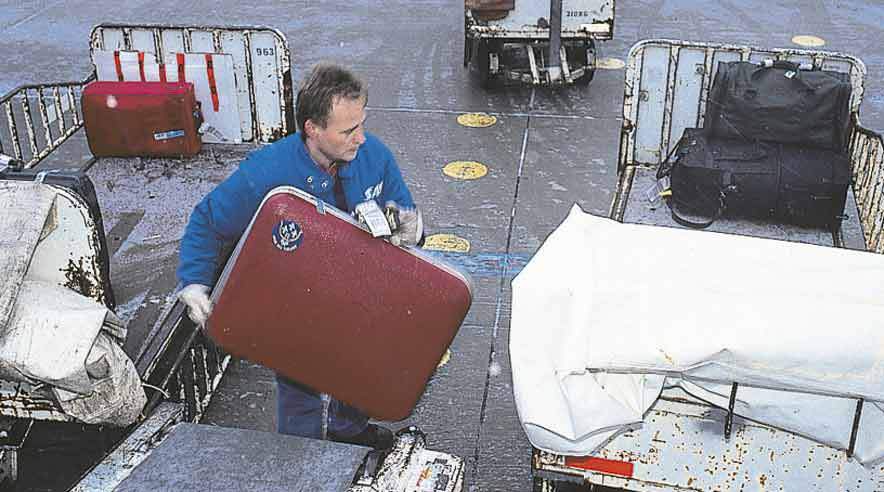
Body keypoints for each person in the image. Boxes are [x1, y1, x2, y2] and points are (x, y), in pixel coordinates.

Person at [175, 63, 423, 450]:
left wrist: (412, 229)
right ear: (312, 129)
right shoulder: (267, 172)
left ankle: (348, 428)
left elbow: (403, 211)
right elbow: (208, 220)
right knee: (300, 384)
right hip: (298, 300)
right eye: (348, 131)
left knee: (360, 366)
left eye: (361, 124)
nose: (360, 138)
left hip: (360, 293)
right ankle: (299, 454)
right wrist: (194, 282)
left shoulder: (375, 156)